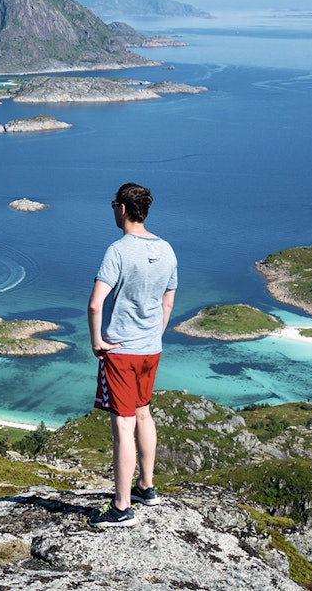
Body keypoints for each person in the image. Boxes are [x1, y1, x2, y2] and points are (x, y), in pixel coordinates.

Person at [86, 182, 177, 528]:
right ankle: (146, 487)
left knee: (122, 426)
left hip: (121, 351)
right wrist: (154, 334)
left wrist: (97, 340)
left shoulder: (118, 250)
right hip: (150, 349)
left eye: (113, 205)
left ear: (122, 209)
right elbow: (168, 301)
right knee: (143, 413)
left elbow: (96, 303)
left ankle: (122, 507)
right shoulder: (167, 250)